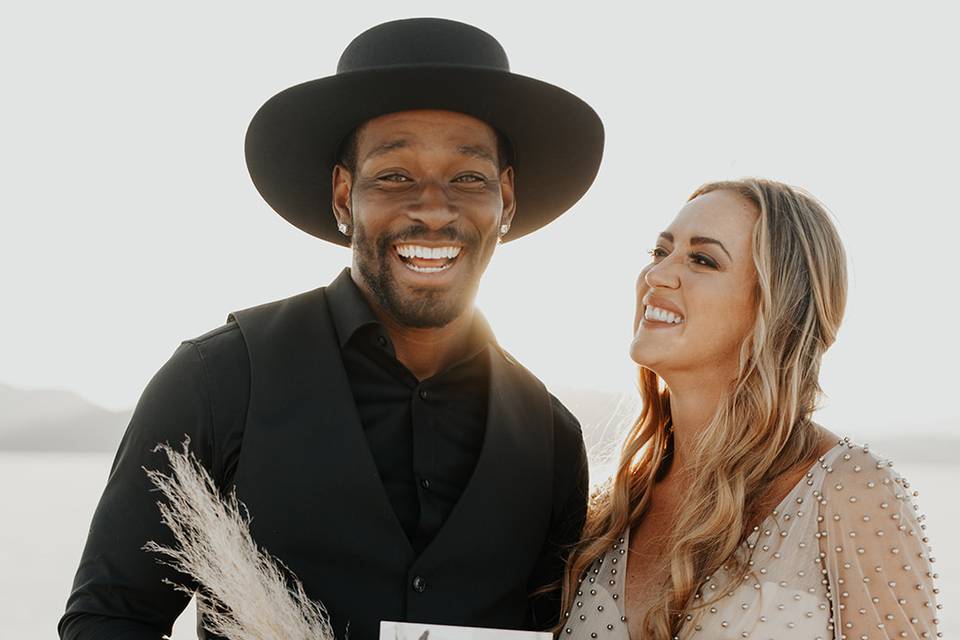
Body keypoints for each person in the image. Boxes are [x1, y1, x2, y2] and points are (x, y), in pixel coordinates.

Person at [59, 18, 603, 640]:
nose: (433, 207)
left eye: (468, 178)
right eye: (395, 176)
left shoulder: (553, 435)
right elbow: (107, 620)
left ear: (505, 199)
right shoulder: (218, 380)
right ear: (345, 196)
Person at [559, 179, 942, 639]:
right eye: (660, 252)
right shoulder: (611, 509)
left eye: (702, 259)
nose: (657, 275)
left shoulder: (848, 491)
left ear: (776, 308)